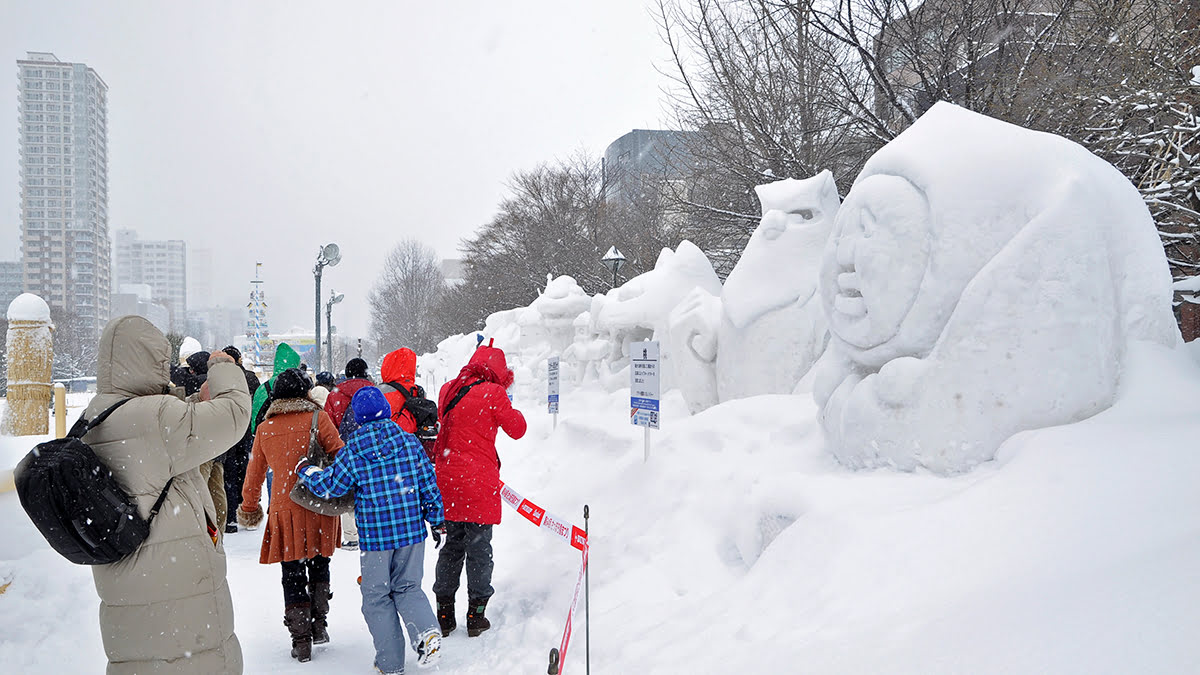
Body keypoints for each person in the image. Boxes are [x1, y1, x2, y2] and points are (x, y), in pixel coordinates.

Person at [83, 316, 251, 674]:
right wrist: (223, 369)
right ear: (151, 361)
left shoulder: (93, 419)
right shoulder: (157, 420)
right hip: (179, 601)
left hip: (127, 587)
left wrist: (188, 401)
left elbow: (156, 436)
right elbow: (235, 415)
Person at [298, 386, 445, 674]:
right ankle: (427, 632)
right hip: (412, 533)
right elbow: (429, 485)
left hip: (377, 539)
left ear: (359, 417)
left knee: (377, 599)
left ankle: (390, 665)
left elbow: (331, 487)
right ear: (387, 411)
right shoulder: (410, 443)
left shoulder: (353, 450)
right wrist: (437, 520)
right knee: (409, 588)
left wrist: (307, 470)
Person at [237, 368, 343, 663]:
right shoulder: (317, 418)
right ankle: (319, 625)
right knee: (320, 563)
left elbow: (254, 473)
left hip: (285, 509)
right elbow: (340, 454)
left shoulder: (265, 428)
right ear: (305, 391)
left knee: (292, 573)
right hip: (318, 504)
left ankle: (301, 640)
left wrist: (249, 506)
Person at [431, 341, 527, 638]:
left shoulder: (448, 388)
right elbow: (518, 429)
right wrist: (507, 401)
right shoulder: (494, 393)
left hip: (447, 478)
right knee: (479, 548)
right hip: (478, 481)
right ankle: (476, 615)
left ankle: (444, 614)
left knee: (452, 547)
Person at [324, 357, 374, 549]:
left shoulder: (335, 395)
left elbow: (328, 425)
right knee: (369, 489)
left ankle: (351, 536)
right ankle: (368, 531)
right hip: (371, 449)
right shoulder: (375, 391)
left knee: (346, 489)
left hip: (343, 448)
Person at [221, 345, 261, 533]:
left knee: (229, 473)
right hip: (246, 431)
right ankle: (246, 511)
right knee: (246, 472)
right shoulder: (250, 378)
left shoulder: (221, 378)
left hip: (228, 432)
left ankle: (230, 518)